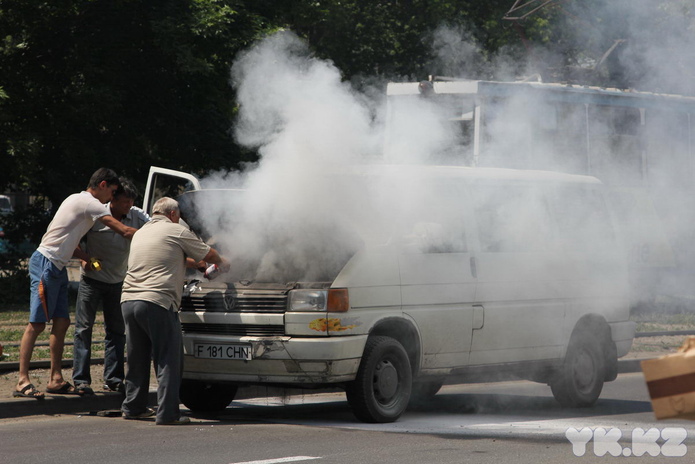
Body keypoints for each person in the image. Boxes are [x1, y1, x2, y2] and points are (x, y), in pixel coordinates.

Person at [13, 168, 138, 399]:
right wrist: (154, 237)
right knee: (37, 324)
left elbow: (66, 239)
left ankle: (55, 379)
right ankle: (22, 380)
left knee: (61, 323)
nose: (111, 197)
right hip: (46, 264)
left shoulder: (76, 199)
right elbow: (123, 229)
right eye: (111, 191)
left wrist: (86, 258)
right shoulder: (90, 203)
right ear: (102, 185)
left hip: (58, 267)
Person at [120, 197, 230, 425]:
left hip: (129, 301)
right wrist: (222, 261)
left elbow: (168, 256)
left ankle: (133, 407)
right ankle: (168, 413)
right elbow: (208, 254)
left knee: (137, 357)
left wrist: (196, 265)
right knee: (169, 358)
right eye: (178, 215)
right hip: (157, 301)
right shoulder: (175, 230)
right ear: (172, 214)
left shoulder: (142, 232)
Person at [72, 178, 150, 395]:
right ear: (113, 199)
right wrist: (84, 258)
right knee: (83, 329)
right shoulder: (97, 213)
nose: (128, 206)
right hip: (91, 281)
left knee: (116, 331)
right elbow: (74, 238)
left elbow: (154, 227)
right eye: (124, 201)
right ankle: (81, 381)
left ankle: (113, 379)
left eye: (131, 202)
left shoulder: (137, 214)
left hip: (118, 281)